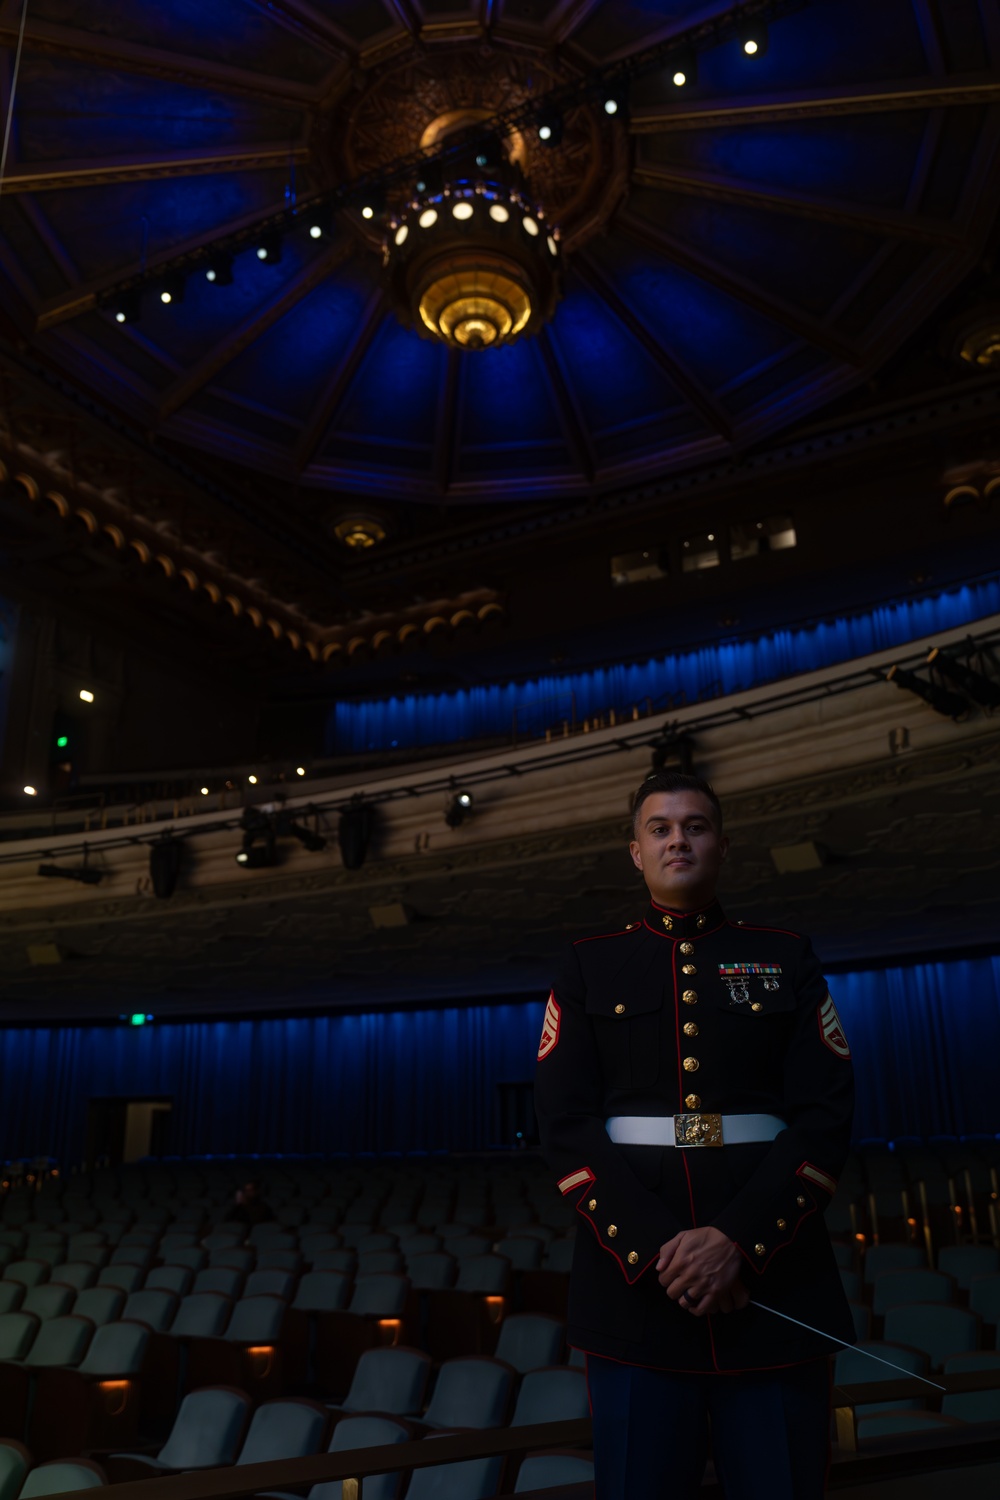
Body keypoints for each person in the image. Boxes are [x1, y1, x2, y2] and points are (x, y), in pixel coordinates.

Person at [534, 770, 855, 1500]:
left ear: (723, 845)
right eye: (660, 827)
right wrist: (661, 1254)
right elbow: (565, 1125)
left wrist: (736, 1239)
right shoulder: (590, 962)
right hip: (636, 1297)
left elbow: (825, 1114)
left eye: (696, 826)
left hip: (773, 1284)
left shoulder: (785, 956)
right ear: (636, 852)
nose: (678, 838)